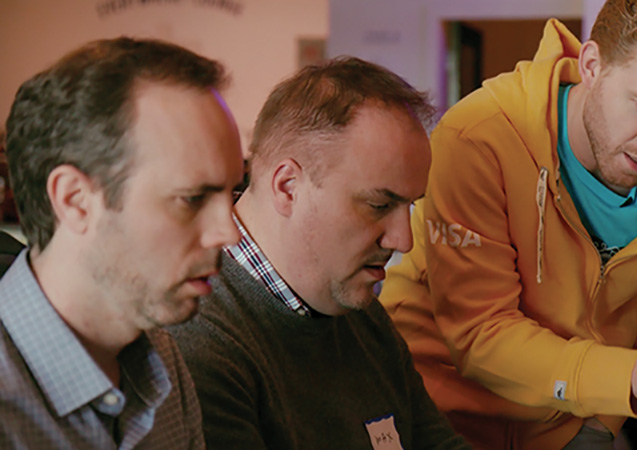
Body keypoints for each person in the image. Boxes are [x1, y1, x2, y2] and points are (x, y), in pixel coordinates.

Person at [378, 1, 637, 449]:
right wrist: (624, 376)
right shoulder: (477, 138)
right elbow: (480, 332)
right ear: (592, 65)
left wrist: (603, 420)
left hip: (572, 420)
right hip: (437, 412)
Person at [169, 56, 470, 449]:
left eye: (410, 205)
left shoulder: (359, 313)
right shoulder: (198, 343)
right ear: (288, 187)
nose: (403, 240)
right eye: (379, 205)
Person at [0, 37, 244, 448]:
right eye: (191, 199)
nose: (230, 233)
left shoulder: (162, 359)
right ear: (75, 201)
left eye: (232, 193)